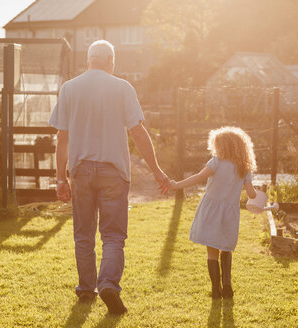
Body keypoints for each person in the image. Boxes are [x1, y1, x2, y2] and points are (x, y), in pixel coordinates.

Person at [49, 40, 170, 315]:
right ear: (111, 61)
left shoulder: (69, 89)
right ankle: (109, 285)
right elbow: (138, 132)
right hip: (114, 172)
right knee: (113, 236)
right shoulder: (123, 88)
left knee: (83, 234)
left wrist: (59, 177)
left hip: (80, 171)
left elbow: (62, 137)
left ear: (88, 61)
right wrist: (157, 170)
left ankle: (86, 290)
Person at [169, 126, 257, 299]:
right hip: (230, 214)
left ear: (222, 147)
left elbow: (199, 178)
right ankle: (228, 286)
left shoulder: (216, 162)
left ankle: (215, 290)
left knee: (212, 252)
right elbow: (252, 194)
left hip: (211, 211)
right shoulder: (244, 168)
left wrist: (177, 184)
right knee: (226, 249)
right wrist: (258, 198)